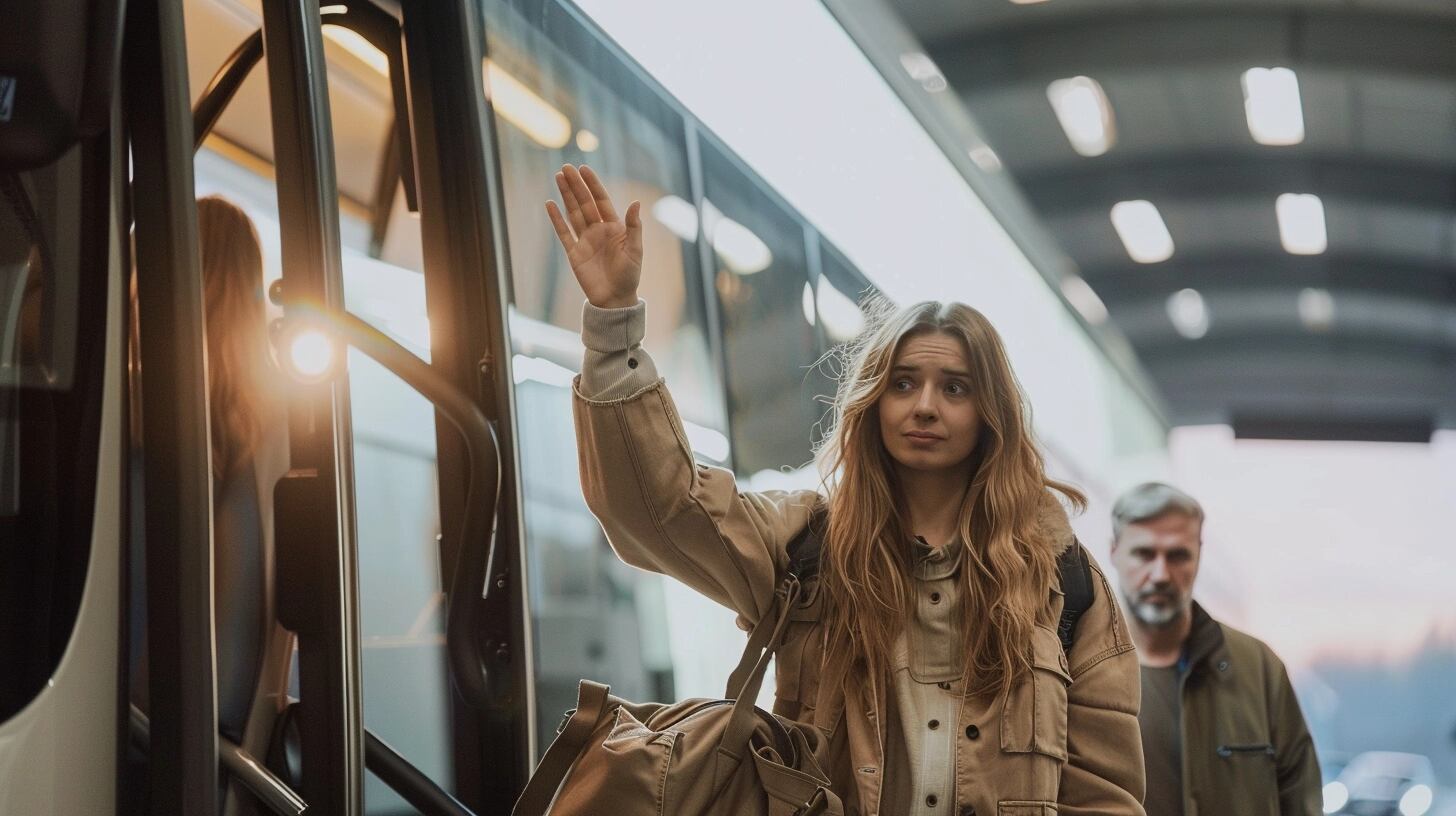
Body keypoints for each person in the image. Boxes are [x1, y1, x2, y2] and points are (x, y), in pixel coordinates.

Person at [548, 164, 1145, 816]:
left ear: (989, 412)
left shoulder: (1064, 580)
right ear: (874, 401)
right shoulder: (805, 545)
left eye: (954, 388)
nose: (924, 407)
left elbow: (1104, 793)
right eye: (903, 383)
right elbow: (661, 511)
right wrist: (613, 324)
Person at [1108, 482, 1321, 816]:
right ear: (1114, 552)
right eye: (1144, 554)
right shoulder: (1078, 670)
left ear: (1198, 555)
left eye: (1178, 555)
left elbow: (1300, 796)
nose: (1161, 574)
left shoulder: (1259, 669)